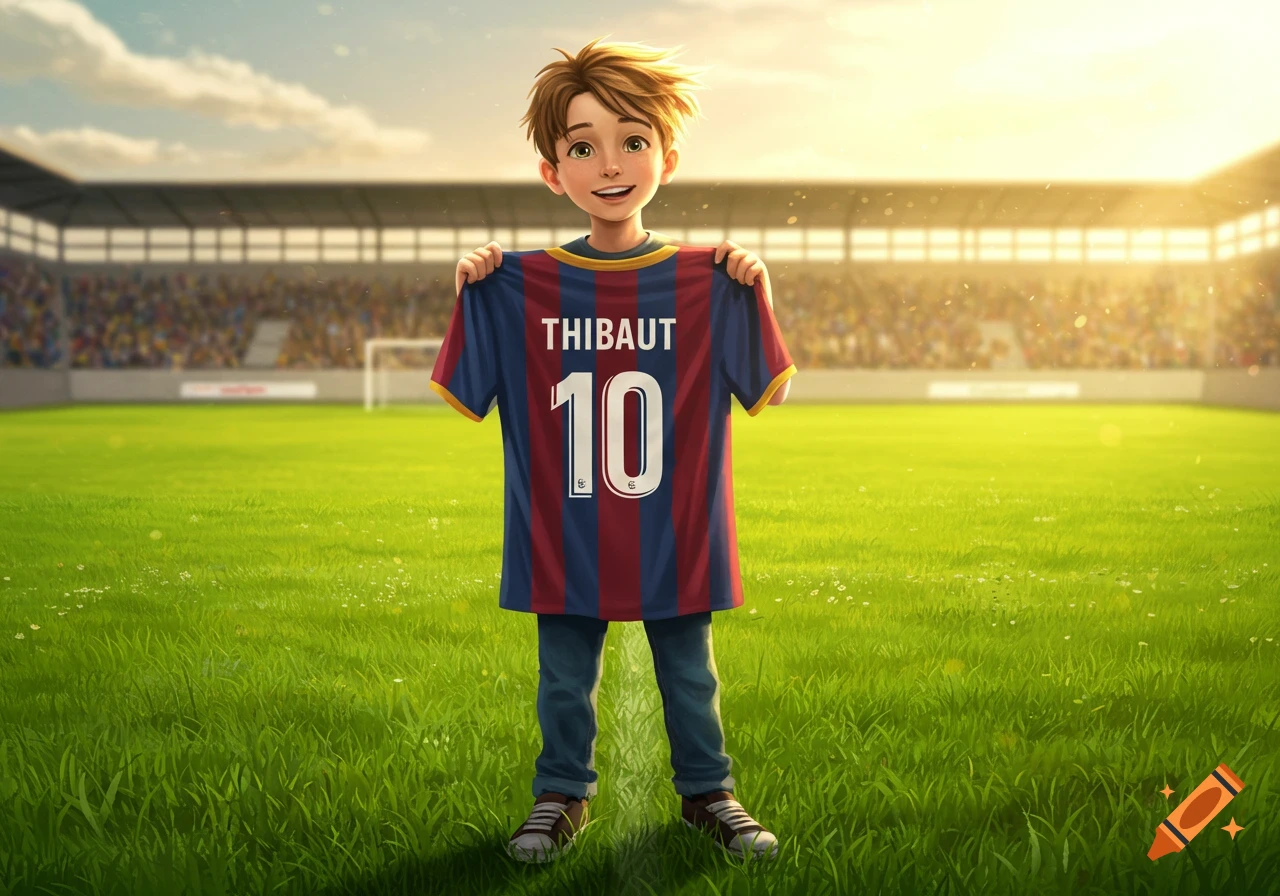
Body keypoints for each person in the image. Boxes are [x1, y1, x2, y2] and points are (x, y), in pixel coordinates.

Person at [434, 37, 794, 864]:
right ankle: (561, 796)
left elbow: (770, 390)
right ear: (551, 172)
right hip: (564, 527)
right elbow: (468, 398)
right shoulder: (510, 285)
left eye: (632, 141)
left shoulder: (712, 278)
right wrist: (472, 289)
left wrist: (759, 291)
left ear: (667, 154)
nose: (610, 163)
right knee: (562, 681)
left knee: (691, 675)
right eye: (582, 146)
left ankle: (710, 793)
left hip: (674, 523)